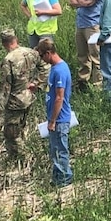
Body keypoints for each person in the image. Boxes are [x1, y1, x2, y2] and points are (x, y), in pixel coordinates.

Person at [0, 29, 48, 159]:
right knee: (22, 126)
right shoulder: (30, 53)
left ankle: (23, 158)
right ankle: (22, 155)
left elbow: (6, 87)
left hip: (15, 101)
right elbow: (46, 68)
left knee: (12, 133)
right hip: (28, 96)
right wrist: (37, 83)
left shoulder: (8, 60)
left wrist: (0, 107)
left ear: (3, 43)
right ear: (15, 39)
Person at [37, 38, 73, 187]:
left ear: (49, 53)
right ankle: (58, 179)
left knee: (60, 151)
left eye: (41, 55)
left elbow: (59, 97)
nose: (41, 59)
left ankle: (64, 180)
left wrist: (52, 121)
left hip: (59, 119)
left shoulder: (60, 71)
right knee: (55, 151)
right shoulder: (54, 69)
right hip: (55, 118)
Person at [67, 0, 106, 92]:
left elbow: (91, 2)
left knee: (95, 55)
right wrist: (80, 0)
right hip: (81, 24)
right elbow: (71, 0)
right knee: (82, 55)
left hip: (93, 25)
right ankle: (83, 81)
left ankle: (97, 85)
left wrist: (79, 0)